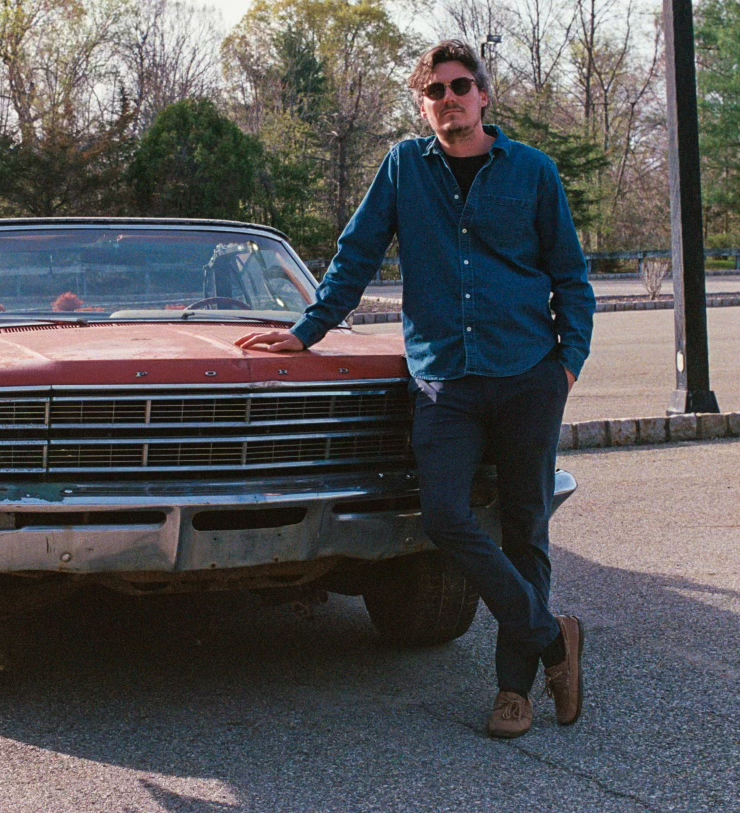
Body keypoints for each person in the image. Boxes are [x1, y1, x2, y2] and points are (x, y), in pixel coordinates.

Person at [236, 39, 596, 739]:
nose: (448, 98)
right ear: (422, 104)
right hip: (444, 382)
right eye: (435, 90)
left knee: (525, 529)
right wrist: (306, 331)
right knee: (445, 518)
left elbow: (571, 278)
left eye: (460, 86)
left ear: (483, 95)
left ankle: (513, 690)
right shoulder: (404, 167)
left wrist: (567, 365)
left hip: (527, 375)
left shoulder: (533, 171)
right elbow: (357, 254)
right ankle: (554, 637)